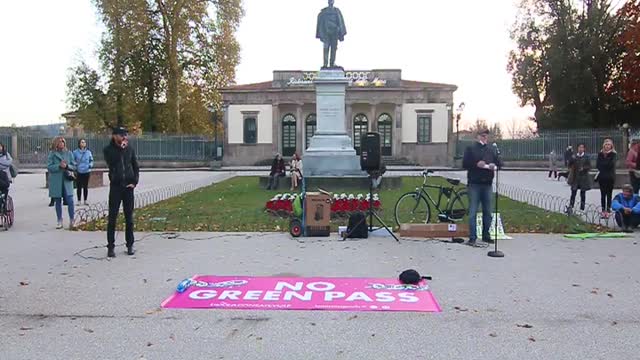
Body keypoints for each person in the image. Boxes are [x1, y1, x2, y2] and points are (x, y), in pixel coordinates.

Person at [462, 128, 502, 246]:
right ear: (477, 137)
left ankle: (486, 235)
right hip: (475, 183)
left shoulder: (491, 150)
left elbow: (500, 163)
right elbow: (465, 164)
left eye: (486, 136)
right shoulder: (471, 149)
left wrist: (495, 164)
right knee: (473, 211)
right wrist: (476, 164)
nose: (485, 138)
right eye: (482, 136)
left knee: (488, 212)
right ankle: (472, 237)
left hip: (487, 184)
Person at [104, 127, 140, 258]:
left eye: (125, 135)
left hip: (128, 187)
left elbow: (135, 166)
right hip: (116, 186)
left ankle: (130, 245)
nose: (124, 137)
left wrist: (135, 181)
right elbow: (112, 162)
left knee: (129, 217)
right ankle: (110, 247)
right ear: (114, 136)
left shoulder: (130, 149)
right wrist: (121, 149)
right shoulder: (108, 150)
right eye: (121, 135)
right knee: (112, 218)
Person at [47, 137, 77, 230]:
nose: (61, 144)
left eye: (63, 142)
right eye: (60, 142)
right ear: (56, 143)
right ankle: (59, 220)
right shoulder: (52, 154)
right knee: (58, 201)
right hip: (56, 180)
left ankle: (72, 220)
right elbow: (49, 167)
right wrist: (58, 166)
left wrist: (67, 166)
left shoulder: (69, 153)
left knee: (70, 200)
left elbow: (74, 166)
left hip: (67, 180)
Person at [596, 138, 617, 219]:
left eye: (609, 145)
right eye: (606, 145)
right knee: (602, 194)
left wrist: (604, 163)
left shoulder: (613, 154)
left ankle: (608, 210)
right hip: (602, 177)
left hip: (610, 177)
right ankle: (603, 210)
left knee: (609, 194)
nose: (607, 146)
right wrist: (605, 163)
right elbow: (598, 165)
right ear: (604, 146)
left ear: (611, 146)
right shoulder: (600, 154)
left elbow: (611, 164)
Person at [566, 143, 591, 214]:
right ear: (577, 148)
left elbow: (589, 166)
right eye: (579, 147)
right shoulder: (574, 156)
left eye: (582, 147)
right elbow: (569, 165)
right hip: (575, 177)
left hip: (583, 178)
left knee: (583, 194)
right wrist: (571, 160)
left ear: (584, 149)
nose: (581, 149)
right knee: (573, 193)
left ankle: (582, 208)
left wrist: (584, 168)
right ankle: (571, 206)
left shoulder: (586, 157)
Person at [73, 139, 94, 206]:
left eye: (84, 142)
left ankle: (85, 200)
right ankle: (79, 200)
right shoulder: (75, 152)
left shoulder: (88, 152)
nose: (83, 143)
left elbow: (91, 160)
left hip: (86, 171)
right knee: (79, 187)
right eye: (82, 142)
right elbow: (72, 161)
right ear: (79, 143)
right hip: (79, 171)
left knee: (85, 186)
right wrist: (76, 166)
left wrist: (90, 165)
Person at [0, 143, 12, 212]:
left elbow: (9, 162)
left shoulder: (6, 154)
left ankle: (3, 205)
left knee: (5, 188)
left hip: (5, 175)